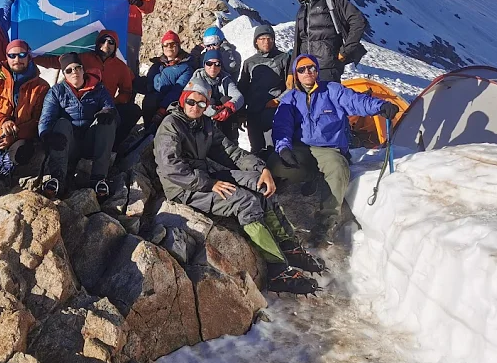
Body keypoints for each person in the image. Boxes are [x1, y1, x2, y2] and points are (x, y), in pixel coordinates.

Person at [153, 77, 323, 295]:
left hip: (205, 176)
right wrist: (210, 183)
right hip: (183, 187)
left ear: (208, 105)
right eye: (191, 102)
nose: (196, 107)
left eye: (202, 103)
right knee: (246, 201)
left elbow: (229, 151)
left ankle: (288, 245)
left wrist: (261, 169)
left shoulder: (205, 124)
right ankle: (277, 269)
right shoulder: (171, 125)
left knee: (261, 186)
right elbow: (171, 168)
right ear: (183, 100)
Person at [269, 55, 399, 247]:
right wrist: (283, 148)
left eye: (311, 68)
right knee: (276, 164)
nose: (307, 73)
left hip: (328, 149)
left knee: (338, 169)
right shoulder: (290, 98)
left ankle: (325, 223)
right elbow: (282, 126)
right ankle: (305, 181)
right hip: (301, 147)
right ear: (296, 74)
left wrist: (380, 106)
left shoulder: (332, 90)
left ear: (317, 70)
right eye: (302, 69)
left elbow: (357, 101)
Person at [35, 30, 140, 147]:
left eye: (111, 42)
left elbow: (126, 92)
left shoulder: (121, 67)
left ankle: (113, 146)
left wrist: (111, 104)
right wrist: (31, 58)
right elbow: (59, 61)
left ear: (115, 46)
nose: (106, 45)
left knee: (132, 111)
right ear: (97, 43)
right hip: (84, 104)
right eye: (102, 41)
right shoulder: (84, 58)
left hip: (106, 108)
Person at [38, 53, 118, 199]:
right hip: (68, 143)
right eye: (69, 70)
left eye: (77, 68)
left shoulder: (98, 89)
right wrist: (45, 134)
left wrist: (108, 112)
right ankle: (57, 179)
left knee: (107, 121)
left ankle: (99, 178)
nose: (74, 72)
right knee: (61, 123)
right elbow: (46, 117)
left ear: (82, 70)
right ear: (64, 74)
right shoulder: (57, 92)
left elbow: (109, 106)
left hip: (91, 141)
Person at [0, 39, 49, 177]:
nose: (17, 59)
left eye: (22, 55)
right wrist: (2, 121)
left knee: (22, 152)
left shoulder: (41, 86)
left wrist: (14, 135)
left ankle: (8, 172)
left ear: (29, 56)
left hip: (20, 135)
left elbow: (39, 119)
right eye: (12, 55)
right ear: (6, 57)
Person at [290, 0, 367, 84]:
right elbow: (298, 42)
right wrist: (291, 72)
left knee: (327, 99)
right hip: (306, 69)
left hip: (328, 67)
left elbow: (358, 21)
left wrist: (345, 51)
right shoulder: (302, 9)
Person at [239, 24, 291, 153]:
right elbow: (243, 87)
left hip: (274, 109)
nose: (266, 42)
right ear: (256, 41)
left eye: (269, 38)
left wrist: (278, 100)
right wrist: (241, 113)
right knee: (256, 148)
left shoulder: (283, 58)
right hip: (253, 111)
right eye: (262, 39)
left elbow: (291, 85)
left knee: (273, 146)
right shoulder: (249, 62)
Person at [140, 31, 195, 127]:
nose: (169, 47)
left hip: (172, 104)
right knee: (149, 101)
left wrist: (163, 108)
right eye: (166, 44)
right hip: (153, 101)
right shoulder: (156, 65)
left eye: (173, 44)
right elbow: (148, 84)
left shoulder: (186, 67)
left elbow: (178, 90)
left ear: (178, 46)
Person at [191, 49, 244, 142]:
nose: (213, 67)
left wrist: (229, 107)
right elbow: (195, 101)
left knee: (226, 99)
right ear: (204, 65)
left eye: (217, 64)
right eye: (209, 63)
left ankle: (232, 140)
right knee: (210, 101)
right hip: (204, 115)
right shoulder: (197, 79)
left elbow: (238, 96)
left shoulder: (225, 78)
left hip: (222, 116)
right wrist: (213, 112)